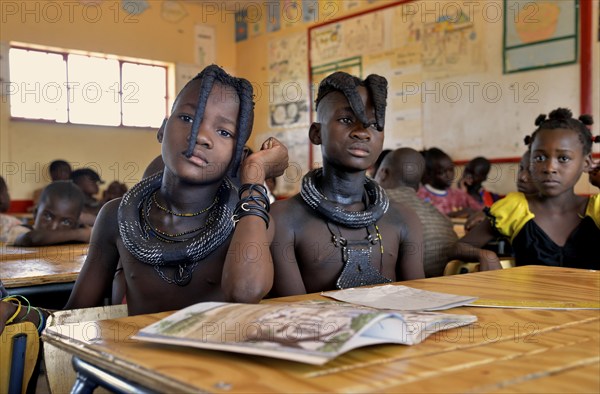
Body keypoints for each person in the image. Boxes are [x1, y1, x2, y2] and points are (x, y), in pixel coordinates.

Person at [1, 64, 288, 332]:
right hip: (136, 371)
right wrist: (13, 314)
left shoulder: (249, 218)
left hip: (218, 376)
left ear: (237, 155)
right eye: (188, 118)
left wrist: (254, 176)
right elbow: (74, 315)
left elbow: (245, 292)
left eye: (224, 132)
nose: (201, 136)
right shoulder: (116, 216)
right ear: (163, 129)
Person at [269, 71, 424, 297]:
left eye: (373, 124)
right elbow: (294, 313)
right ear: (316, 133)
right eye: (346, 120)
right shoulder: (282, 219)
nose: (362, 132)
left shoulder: (404, 219)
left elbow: (420, 304)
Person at [458, 108, 600, 269]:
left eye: (563, 158)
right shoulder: (516, 209)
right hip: (527, 295)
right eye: (539, 158)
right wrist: (486, 255)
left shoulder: (595, 209)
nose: (549, 167)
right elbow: (457, 247)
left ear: (587, 163)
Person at [375, 147, 457, 277]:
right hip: (443, 286)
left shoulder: (375, 203)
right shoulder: (439, 216)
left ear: (383, 173)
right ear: (419, 184)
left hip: (403, 290)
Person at [11, 181, 91, 246]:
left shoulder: (73, 238)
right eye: (47, 216)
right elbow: (32, 239)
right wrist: (80, 234)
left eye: (66, 222)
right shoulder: (19, 231)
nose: (53, 227)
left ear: (76, 225)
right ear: (35, 213)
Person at [417, 147, 483, 217]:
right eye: (442, 172)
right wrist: (453, 215)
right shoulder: (421, 196)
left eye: (451, 170)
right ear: (429, 174)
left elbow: (480, 210)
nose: (449, 175)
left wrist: (471, 211)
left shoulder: (459, 195)